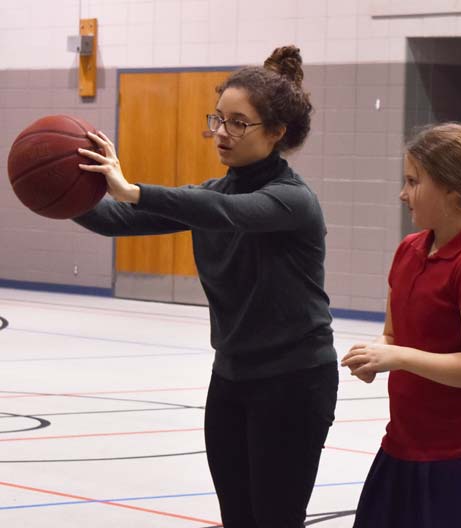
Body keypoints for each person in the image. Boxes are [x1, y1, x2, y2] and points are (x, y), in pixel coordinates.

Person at [74, 45, 338, 528]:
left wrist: (133, 189)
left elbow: (230, 214)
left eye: (238, 123)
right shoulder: (209, 195)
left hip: (295, 382)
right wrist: (60, 188)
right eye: (218, 119)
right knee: (237, 517)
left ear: (276, 133)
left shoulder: (292, 201)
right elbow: (112, 220)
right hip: (232, 377)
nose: (221, 132)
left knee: (276, 519)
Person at [341, 122, 461, 527]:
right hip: (404, 444)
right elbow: (393, 334)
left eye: (413, 181)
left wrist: (399, 356)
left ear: (452, 190)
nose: (403, 193)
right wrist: (376, 354)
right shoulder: (409, 249)